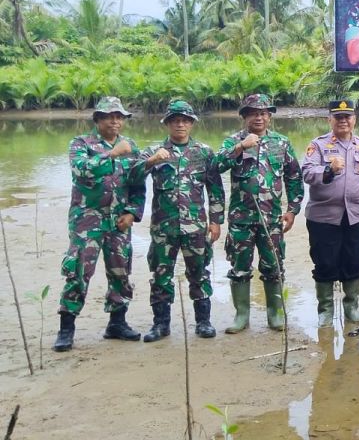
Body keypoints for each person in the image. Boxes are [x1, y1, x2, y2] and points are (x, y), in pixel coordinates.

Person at [53, 96, 146, 352]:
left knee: (120, 271)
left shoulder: (131, 146)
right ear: (97, 120)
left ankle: (117, 323)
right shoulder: (81, 144)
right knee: (79, 272)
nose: (115, 121)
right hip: (88, 220)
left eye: (119, 117)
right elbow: (81, 170)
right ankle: (66, 329)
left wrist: (133, 213)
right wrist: (112, 154)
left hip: (119, 222)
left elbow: (137, 185)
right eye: (109, 116)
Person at [211, 93, 303, 334]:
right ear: (244, 117)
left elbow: (294, 177)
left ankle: (274, 313)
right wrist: (241, 147)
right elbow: (216, 166)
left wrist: (292, 209)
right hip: (241, 219)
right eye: (253, 113)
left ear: (270, 117)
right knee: (239, 267)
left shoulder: (281, 143)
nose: (259, 117)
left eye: (263, 113)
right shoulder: (233, 141)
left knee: (273, 266)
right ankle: (242, 315)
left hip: (271, 219)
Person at [135, 100, 224, 342]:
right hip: (164, 227)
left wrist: (216, 221)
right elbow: (131, 175)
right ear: (167, 124)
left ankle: (203, 322)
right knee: (161, 275)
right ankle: (161, 325)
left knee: (199, 273)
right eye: (175, 120)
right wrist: (152, 161)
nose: (180, 124)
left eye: (185, 120)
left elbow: (215, 189)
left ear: (192, 123)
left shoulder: (204, 152)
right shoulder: (154, 151)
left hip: (195, 226)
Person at [302, 99, 359, 328]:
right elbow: (307, 173)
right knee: (324, 262)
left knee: (353, 260)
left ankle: (351, 307)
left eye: (347, 116)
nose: (343, 121)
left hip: (357, 215)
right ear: (329, 119)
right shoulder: (318, 145)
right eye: (338, 117)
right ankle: (326, 310)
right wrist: (328, 169)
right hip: (323, 217)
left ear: (354, 120)